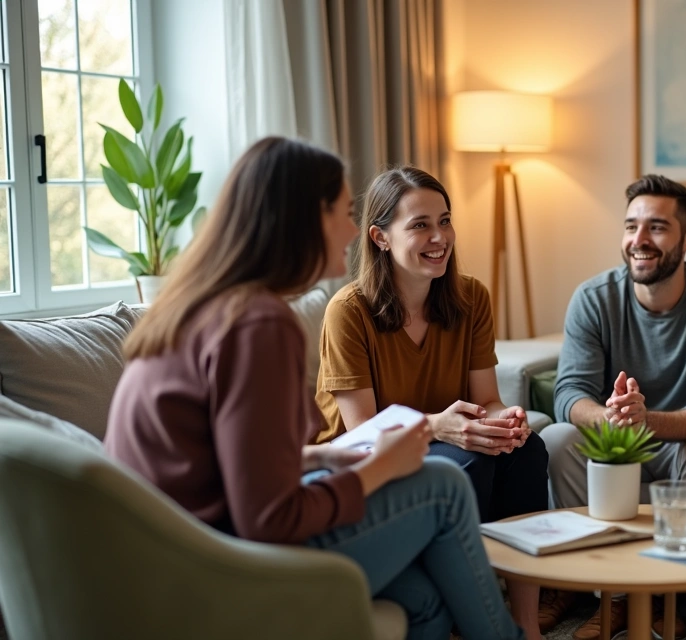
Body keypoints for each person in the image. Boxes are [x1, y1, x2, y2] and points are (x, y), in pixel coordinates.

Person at [104, 137, 524, 640]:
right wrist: (380, 467)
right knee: (443, 484)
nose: (352, 231)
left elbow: (233, 462)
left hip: (175, 550)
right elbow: (268, 517)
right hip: (213, 564)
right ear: (300, 221)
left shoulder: (206, 304)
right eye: (342, 213)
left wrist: (323, 458)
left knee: (425, 603)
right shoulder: (258, 324)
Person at [313, 166, 548, 639]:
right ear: (380, 237)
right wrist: (438, 426)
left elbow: (487, 399)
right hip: (367, 459)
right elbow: (362, 429)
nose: (439, 237)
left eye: (444, 221)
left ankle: (527, 622)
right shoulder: (349, 311)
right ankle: (468, 615)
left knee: (527, 450)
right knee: (465, 464)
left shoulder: (471, 297)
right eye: (420, 225)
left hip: (450, 442)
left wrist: (506, 420)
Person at [541, 174, 686, 639]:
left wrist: (644, 420)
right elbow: (568, 395)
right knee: (556, 438)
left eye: (657, 227)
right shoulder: (593, 298)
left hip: (680, 443)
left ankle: (662, 591)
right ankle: (609, 594)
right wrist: (613, 417)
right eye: (631, 226)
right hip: (615, 440)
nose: (639, 240)